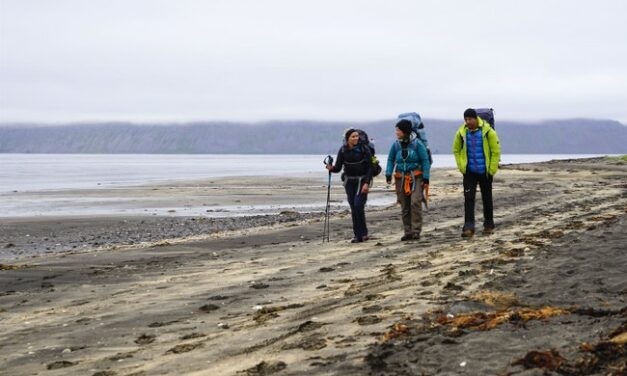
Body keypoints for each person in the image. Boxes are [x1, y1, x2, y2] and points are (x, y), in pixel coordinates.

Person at [452, 108, 501, 238]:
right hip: (469, 172)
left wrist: (491, 170)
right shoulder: (462, 133)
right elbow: (456, 149)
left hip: (485, 172)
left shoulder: (488, 131)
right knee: (468, 199)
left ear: (476, 118)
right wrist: (462, 166)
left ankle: (489, 225)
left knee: (487, 198)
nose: (468, 122)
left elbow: (495, 151)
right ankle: (468, 227)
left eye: (470, 119)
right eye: (465, 119)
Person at [385, 120, 431, 241]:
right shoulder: (395, 145)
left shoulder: (417, 144)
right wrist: (388, 173)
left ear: (405, 131)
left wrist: (426, 177)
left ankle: (416, 231)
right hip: (401, 178)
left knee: (415, 202)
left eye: (398, 130)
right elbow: (390, 159)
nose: (396, 132)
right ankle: (408, 231)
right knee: (404, 205)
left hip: (416, 177)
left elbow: (425, 161)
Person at [326, 129, 373, 243]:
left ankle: (363, 233)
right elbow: (338, 167)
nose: (356, 138)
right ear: (347, 138)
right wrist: (331, 168)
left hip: (362, 181)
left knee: (358, 205)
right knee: (354, 207)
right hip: (349, 182)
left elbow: (370, 168)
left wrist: (366, 183)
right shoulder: (342, 150)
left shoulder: (364, 149)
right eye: (353, 136)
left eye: (357, 136)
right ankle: (358, 235)